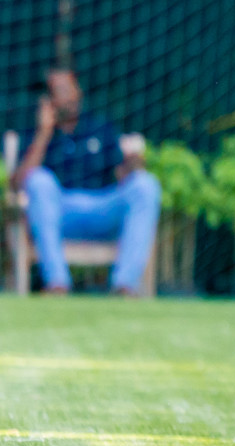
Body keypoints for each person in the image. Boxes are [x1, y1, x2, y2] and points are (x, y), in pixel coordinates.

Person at [13, 68, 161, 294]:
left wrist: (134, 163)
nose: (70, 97)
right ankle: (57, 283)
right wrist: (44, 132)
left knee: (146, 184)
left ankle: (125, 286)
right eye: (62, 91)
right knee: (39, 181)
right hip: (60, 213)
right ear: (49, 100)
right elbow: (18, 185)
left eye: (73, 89)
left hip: (102, 211)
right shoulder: (35, 134)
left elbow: (123, 178)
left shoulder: (100, 127)